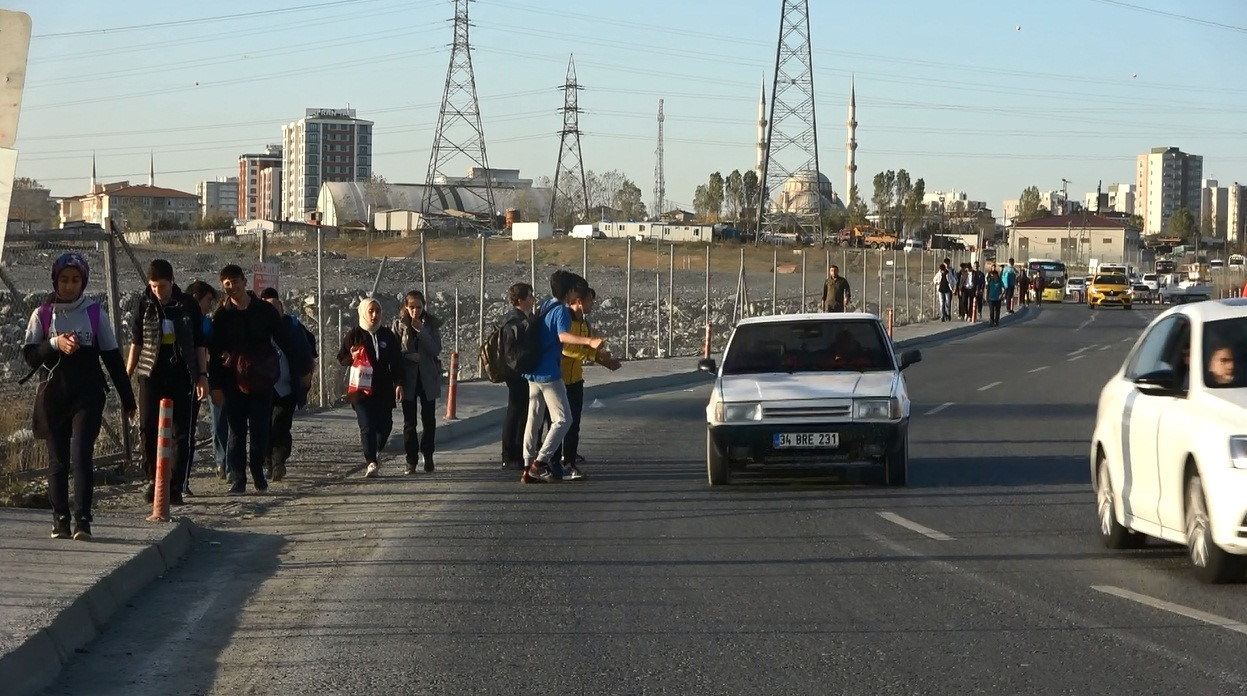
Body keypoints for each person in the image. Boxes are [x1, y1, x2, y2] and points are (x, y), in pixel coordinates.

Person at [23, 253, 136, 540]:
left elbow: (112, 359)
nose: (70, 286)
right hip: (53, 397)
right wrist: (54, 343)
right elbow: (30, 356)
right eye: (64, 280)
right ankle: (59, 518)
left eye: (75, 280)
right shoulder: (43, 314)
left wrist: (128, 399)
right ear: (55, 280)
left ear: (83, 281)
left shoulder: (95, 313)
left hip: (87, 396)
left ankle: (83, 519)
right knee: (58, 460)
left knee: (81, 455)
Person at [209, 265, 304, 495]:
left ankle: (258, 472)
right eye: (227, 284)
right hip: (233, 381)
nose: (233, 287)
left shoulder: (264, 310)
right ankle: (238, 478)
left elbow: (284, 340)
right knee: (236, 430)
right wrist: (216, 386)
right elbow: (214, 351)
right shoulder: (223, 315)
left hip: (262, 378)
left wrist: (301, 369)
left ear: (244, 281)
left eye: (235, 281)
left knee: (261, 429)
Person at [125, 259, 207, 506]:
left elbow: (199, 343)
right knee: (148, 426)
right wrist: (125, 375)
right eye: (153, 286)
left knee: (182, 432)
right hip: (151, 372)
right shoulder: (145, 303)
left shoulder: (188, 305)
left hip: (183, 373)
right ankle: (154, 478)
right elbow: (136, 342)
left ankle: (176, 484)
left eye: (162, 286)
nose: (157, 291)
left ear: (172, 281)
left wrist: (202, 376)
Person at [522, 272, 603, 484]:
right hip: (549, 373)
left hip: (533, 370)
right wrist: (589, 342)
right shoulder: (561, 311)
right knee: (564, 419)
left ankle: (526, 464)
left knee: (535, 418)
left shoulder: (545, 305)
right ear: (569, 292)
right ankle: (539, 464)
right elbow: (562, 336)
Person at [552, 287, 622, 479]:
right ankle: (554, 462)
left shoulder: (584, 323)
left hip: (576, 380)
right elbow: (567, 349)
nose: (593, 304)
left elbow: (586, 349)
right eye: (590, 301)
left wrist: (606, 361)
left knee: (574, 423)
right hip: (560, 380)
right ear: (579, 301)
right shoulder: (565, 321)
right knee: (560, 423)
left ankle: (570, 462)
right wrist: (593, 353)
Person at [337, 298, 404, 478]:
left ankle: (376, 450)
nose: (374, 315)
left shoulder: (387, 335)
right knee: (367, 425)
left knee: (385, 426)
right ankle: (371, 461)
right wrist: (351, 357)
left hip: (383, 388)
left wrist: (398, 383)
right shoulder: (355, 334)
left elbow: (396, 361)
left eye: (377, 311)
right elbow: (341, 358)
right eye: (371, 311)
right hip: (360, 390)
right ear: (363, 312)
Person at [259, 288, 315, 482]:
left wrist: (307, 373)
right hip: (262, 387)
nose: (273, 312)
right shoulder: (257, 329)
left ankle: (278, 463)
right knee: (264, 427)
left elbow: (306, 350)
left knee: (281, 425)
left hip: (286, 387)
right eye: (268, 308)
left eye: (277, 308)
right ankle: (267, 462)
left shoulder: (293, 328)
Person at [393, 290, 443, 475]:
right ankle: (411, 460)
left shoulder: (430, 324)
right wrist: (407, 356)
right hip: (408, 379)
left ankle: (428, 456)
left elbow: (435, 349)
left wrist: (421, 331)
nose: (415, 311)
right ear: (406, 307)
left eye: (419, 307)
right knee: (409, 422)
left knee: (429, 420)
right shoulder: (399, 325)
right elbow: (394, 352)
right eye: (411, 307)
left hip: (427, 378)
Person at [186, 281, 229, 486]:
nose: (209, 306)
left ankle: (223, 462)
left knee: (219, 419)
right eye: (207, 301)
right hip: (189, 379)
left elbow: (214, 345)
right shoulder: (188, 320)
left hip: (207, 376)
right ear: (196, 297)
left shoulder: (205, 322)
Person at [499, 283, 535, 470]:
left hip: (523, 371)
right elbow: (512, 352)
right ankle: (509, 454)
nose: (532, 299)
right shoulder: (514, 321)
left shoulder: (525, 318)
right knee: (515, 412)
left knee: (523, 412)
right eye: (530, 295)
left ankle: (519, 452)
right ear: (520, 299)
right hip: (517, 373)